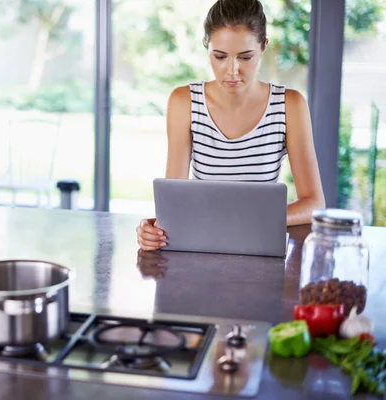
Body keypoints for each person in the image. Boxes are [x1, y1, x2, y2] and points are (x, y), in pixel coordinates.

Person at [137, 0, 325, 251]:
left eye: (245, 57)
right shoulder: (184, 103)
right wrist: (154, 231)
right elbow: (175, 201)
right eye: (220, 56)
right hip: (202, 246)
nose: (232, 71)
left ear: (263, 47)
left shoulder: (289, 105)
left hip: (261, 247)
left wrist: (250, 221)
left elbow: (314, 203)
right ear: (207, 48)